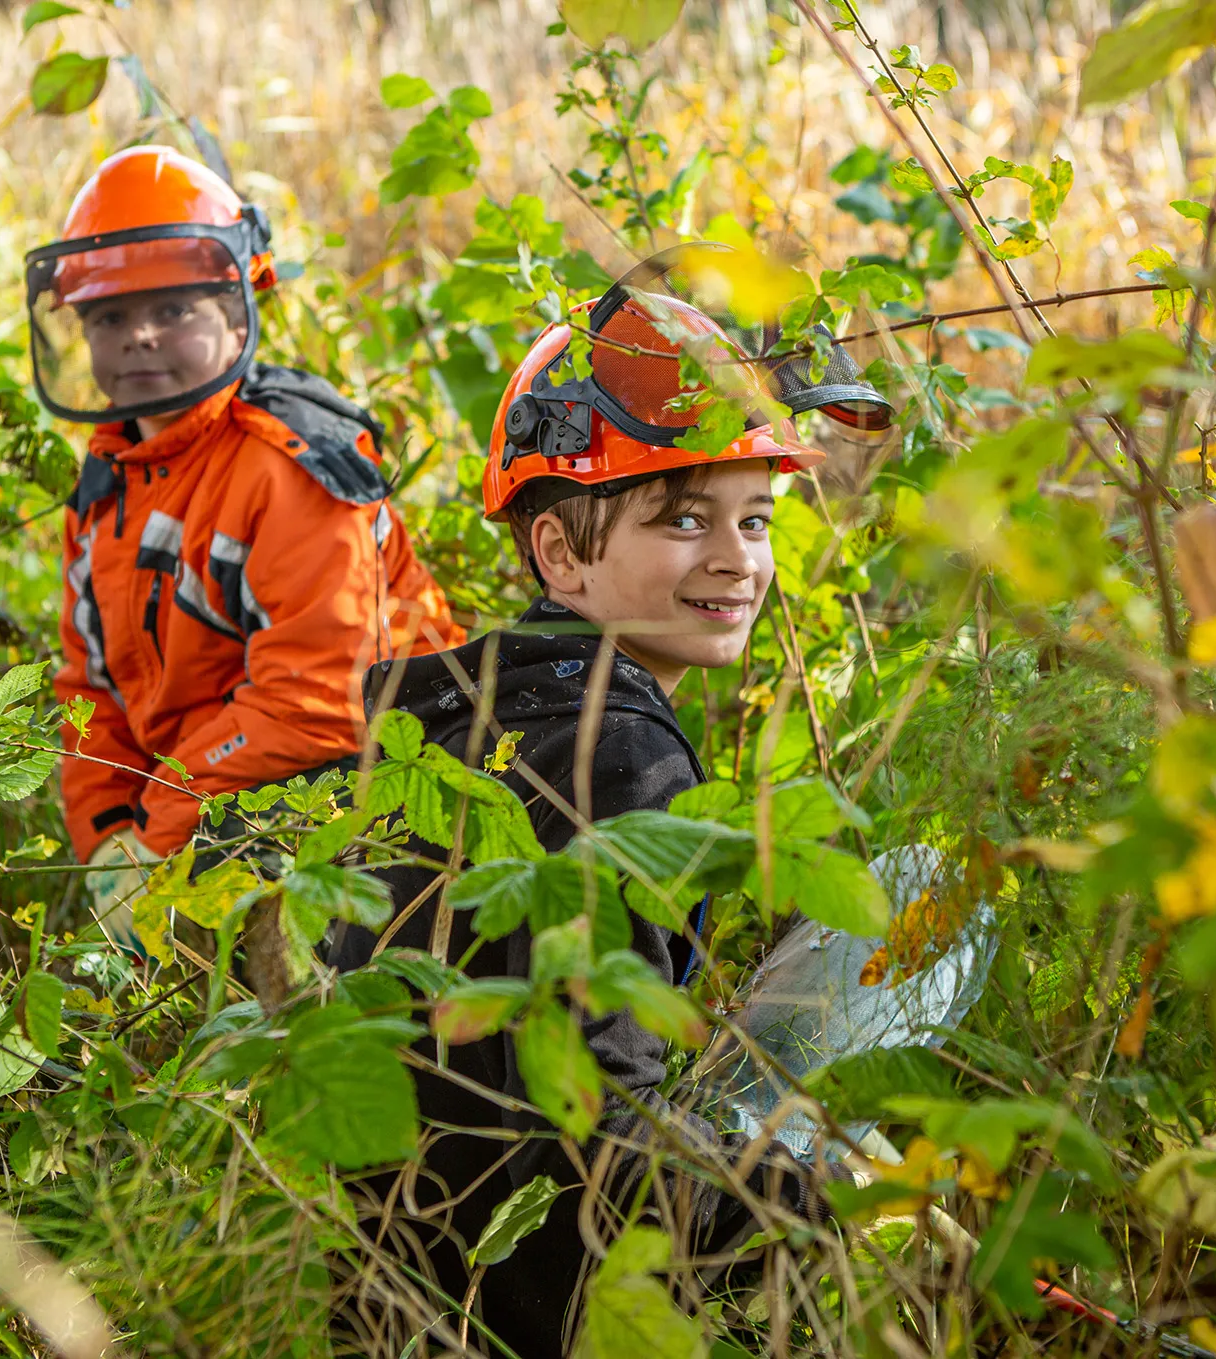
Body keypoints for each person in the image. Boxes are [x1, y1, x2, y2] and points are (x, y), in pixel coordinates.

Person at [326, 251, 889, 1356]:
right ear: (557, 553)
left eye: (757, 519)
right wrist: (811, 1216)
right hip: (535, 1308)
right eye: (684, 519)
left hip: (393, 1291)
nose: (735, 559)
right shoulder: (616, 756)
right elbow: (583, 1141)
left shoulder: (458, 723)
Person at [23, 145, 462, 965]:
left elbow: (318, 704)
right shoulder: (108, 482)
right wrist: (107, 839)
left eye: (175, 310)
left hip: (367, 789)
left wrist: (158, 829)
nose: (141, 336)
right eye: (110, 317)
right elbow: (91, 689)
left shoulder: (285, 466)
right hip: (205, 789)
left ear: (238, 311)